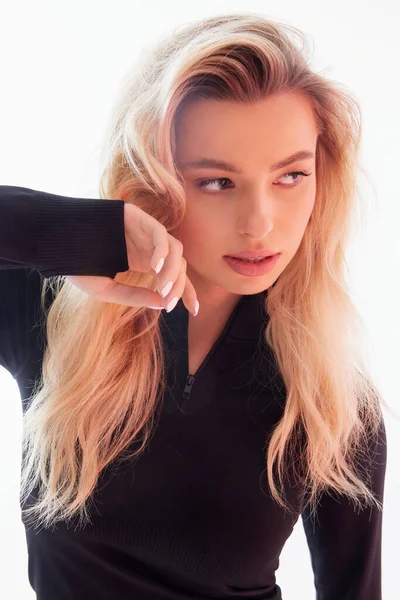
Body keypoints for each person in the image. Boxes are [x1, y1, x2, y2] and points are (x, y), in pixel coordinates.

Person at [0, 12, 387, 600]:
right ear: (154, 180)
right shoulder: (53, 312)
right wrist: (84, 231)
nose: (260, 224)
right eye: (216, 182)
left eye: (290, 176)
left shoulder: (332, 401)